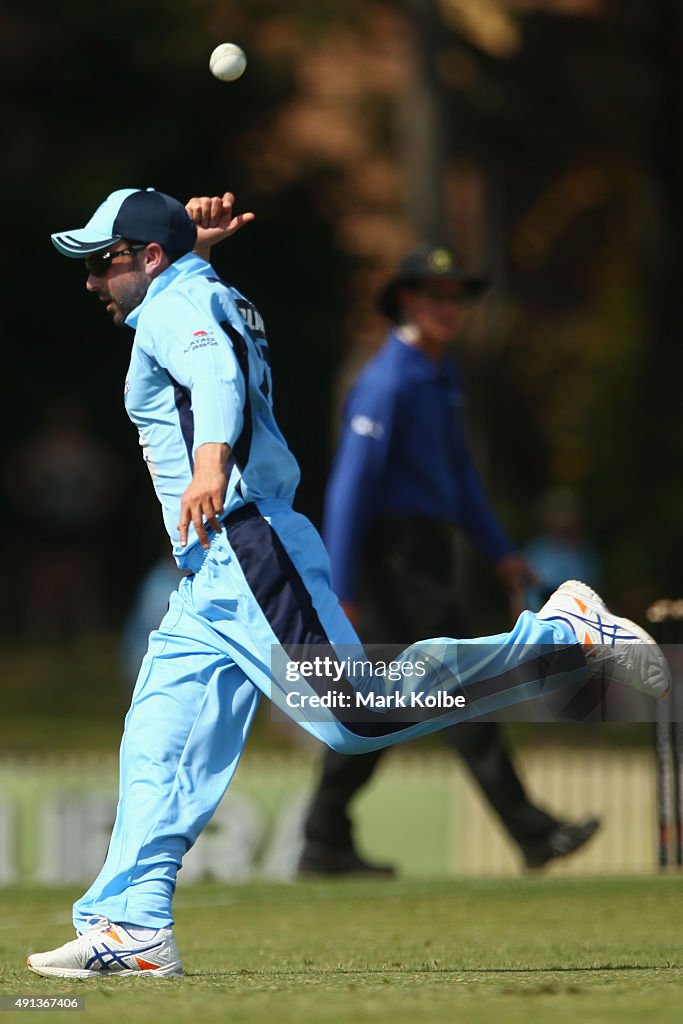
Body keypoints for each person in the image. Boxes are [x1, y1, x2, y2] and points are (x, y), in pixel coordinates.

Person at [27, 189, 669, 979]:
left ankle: (561, 637)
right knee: (158, 740)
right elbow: (206, 325)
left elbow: (214, 374)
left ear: (148, 258)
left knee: (354, 717)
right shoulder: (197, 286)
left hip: (246, 542)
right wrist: (191, 246)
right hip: (209, 573)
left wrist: (207, 464)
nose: (92, 279)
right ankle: (131, 925)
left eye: (104, 261)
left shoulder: (171, 308)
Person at [298, 245, 599, 878]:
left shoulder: (440, 375)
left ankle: (323, 835)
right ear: (406, 302)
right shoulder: (388, 380)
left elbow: (459, 478)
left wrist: (501, 554)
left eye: (455, 297)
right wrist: (341, 584)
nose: (449, 309)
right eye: (436, 296)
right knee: (461, 685)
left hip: (427, 551)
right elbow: (351, 488)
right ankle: (531, 831)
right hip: (392, 559)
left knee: (384, 704)